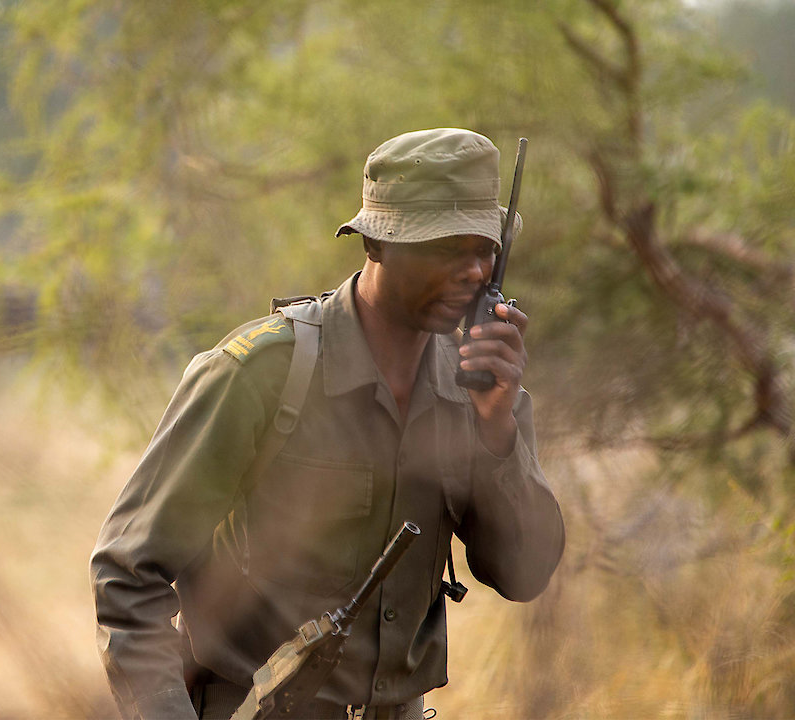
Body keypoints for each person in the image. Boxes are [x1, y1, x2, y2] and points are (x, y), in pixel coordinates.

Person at [91, 128, 566, 720]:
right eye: (446, 247)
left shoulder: (483, 390)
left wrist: (498, 435)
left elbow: (525, 573)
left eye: (485, 248)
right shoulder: (263, 373)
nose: (473, 270)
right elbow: (128, 572)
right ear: (376, 246)